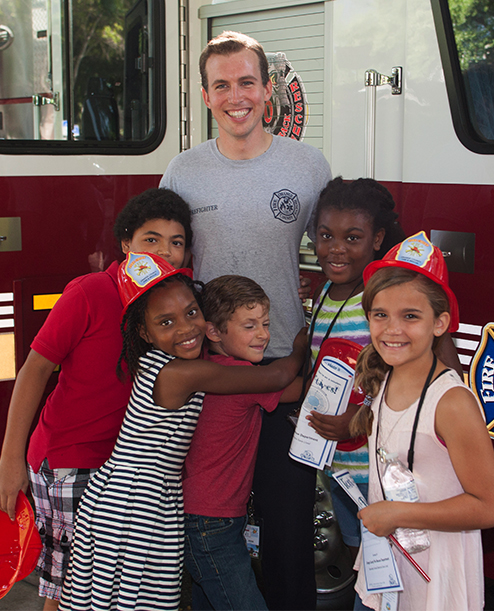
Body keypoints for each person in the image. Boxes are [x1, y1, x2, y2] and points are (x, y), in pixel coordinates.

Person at [160, 30, 331, 610]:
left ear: (268, 90)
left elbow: (338, 257)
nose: (237, 96)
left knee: (288, 526)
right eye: (222, 85)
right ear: (206, 96)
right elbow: (161, 272)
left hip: (284, 375)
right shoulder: (182, 171)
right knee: (207, 521)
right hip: (207, 383)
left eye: (247, 82)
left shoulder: (308, 166)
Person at [58, 253, 306, 611]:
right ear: (144, 332)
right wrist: (301, 345)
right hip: (132, 503)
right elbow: (277, 377)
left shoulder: (173, 361)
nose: (187, 328)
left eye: (192, 313)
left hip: (146, 497)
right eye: (166, 322)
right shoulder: (180, 373)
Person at [0, 187, 192, 610]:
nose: (165, 251)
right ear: (125, 245)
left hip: (121, 472)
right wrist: (9, 459)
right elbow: (33, 369)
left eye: (176, 242)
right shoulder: (89, 292)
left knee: (110, 590)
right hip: (71, 463)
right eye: (151, 240)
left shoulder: (176, 303)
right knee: (68, 588)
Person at [305, 178, 463, 561]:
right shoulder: (324, 292)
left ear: (377, 239)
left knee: (397, 567)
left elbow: (429, 383)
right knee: (365, 564)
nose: (336, 249)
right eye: (326, 236)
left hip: (385, 478)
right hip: (340, 471)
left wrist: (358, 421)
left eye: (352, 238)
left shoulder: (387, 300)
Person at [350, 232, 494, 610]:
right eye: (380, 315)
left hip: (437, 573)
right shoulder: (386, 377)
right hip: (388, 561)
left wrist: (399, 513)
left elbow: (488, 505)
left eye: (410, 316)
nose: (392, 329)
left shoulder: (451, 403)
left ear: (440, 322)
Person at [183, 275, 304, 611]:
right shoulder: (244, 378)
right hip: (212, 524)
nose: (263, 334)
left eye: (265, 323)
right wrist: (302, 347)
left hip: (205, 517)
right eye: (250, 326)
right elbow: (296, 386)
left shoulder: (209, 367)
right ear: (214, 332)